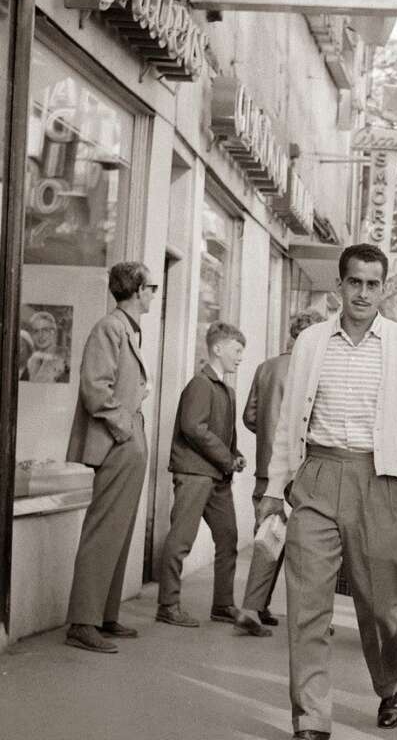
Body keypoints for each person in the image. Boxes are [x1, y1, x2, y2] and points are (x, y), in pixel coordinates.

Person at [256, 244, 397, 740]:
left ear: (384, 288)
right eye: (354, 282)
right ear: (339, 286)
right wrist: (273, 489)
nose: (362, 293)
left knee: (381, 601)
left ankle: (392, 682)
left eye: (372, 284)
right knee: (306, 604)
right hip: (316, 475)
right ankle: (310, 719)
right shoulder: (313, 341)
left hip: (379, 480)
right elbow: (289, 422)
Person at [65, 262, 156, 653]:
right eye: (151, 287)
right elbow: (95, 389)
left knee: (119, 530)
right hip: (117, 441)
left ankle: (103, 615)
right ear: (136, 290)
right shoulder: (110, 327)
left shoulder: (126, 329)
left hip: (126, 440)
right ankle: (82, 622)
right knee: (104, 530)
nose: (153, 293)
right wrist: (125, 429)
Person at [234, 309, 325, 637]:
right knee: (311, 543)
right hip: (303, 468)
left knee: (268, 535)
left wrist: (269, 438)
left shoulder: (266, 367)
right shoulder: (313, 369)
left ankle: (256, 606)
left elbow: (250, 417)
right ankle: (304, 616)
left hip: (266, 467)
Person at [156, 322, 247, 628]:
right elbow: (193, 427)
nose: (241, 357)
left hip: (216, 475)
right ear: (217, 349)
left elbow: (218, 432)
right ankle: (168, 605)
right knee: (181, 539)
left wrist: (234, 455)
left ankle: (223, 604)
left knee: (228, 538)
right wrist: (227, 458)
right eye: (237, 350)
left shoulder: (225, 389)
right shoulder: (200, 384)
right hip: (195, 473)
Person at [24, 310, 68, 383]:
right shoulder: (31, 362)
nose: (40, 335)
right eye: (36, 331)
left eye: (45, 330)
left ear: (54, 332)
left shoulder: (65, 360)